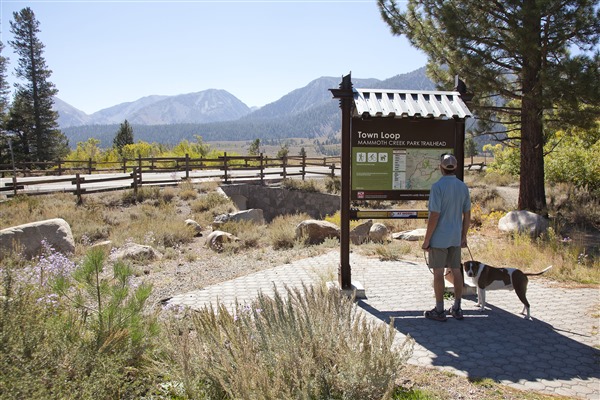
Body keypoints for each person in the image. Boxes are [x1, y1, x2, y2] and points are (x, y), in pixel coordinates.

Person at [421, 154, 471, 321]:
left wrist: (427, 239)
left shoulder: (437, 187)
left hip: (439, 238)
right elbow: (467, 214)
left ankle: (440, 310)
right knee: (456, 271)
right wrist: (463, 236)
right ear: (455, 168)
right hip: (455, 237)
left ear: (441, 168)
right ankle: (457, 308)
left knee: (438, 273)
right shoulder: (463, 187)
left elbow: (434, 214)